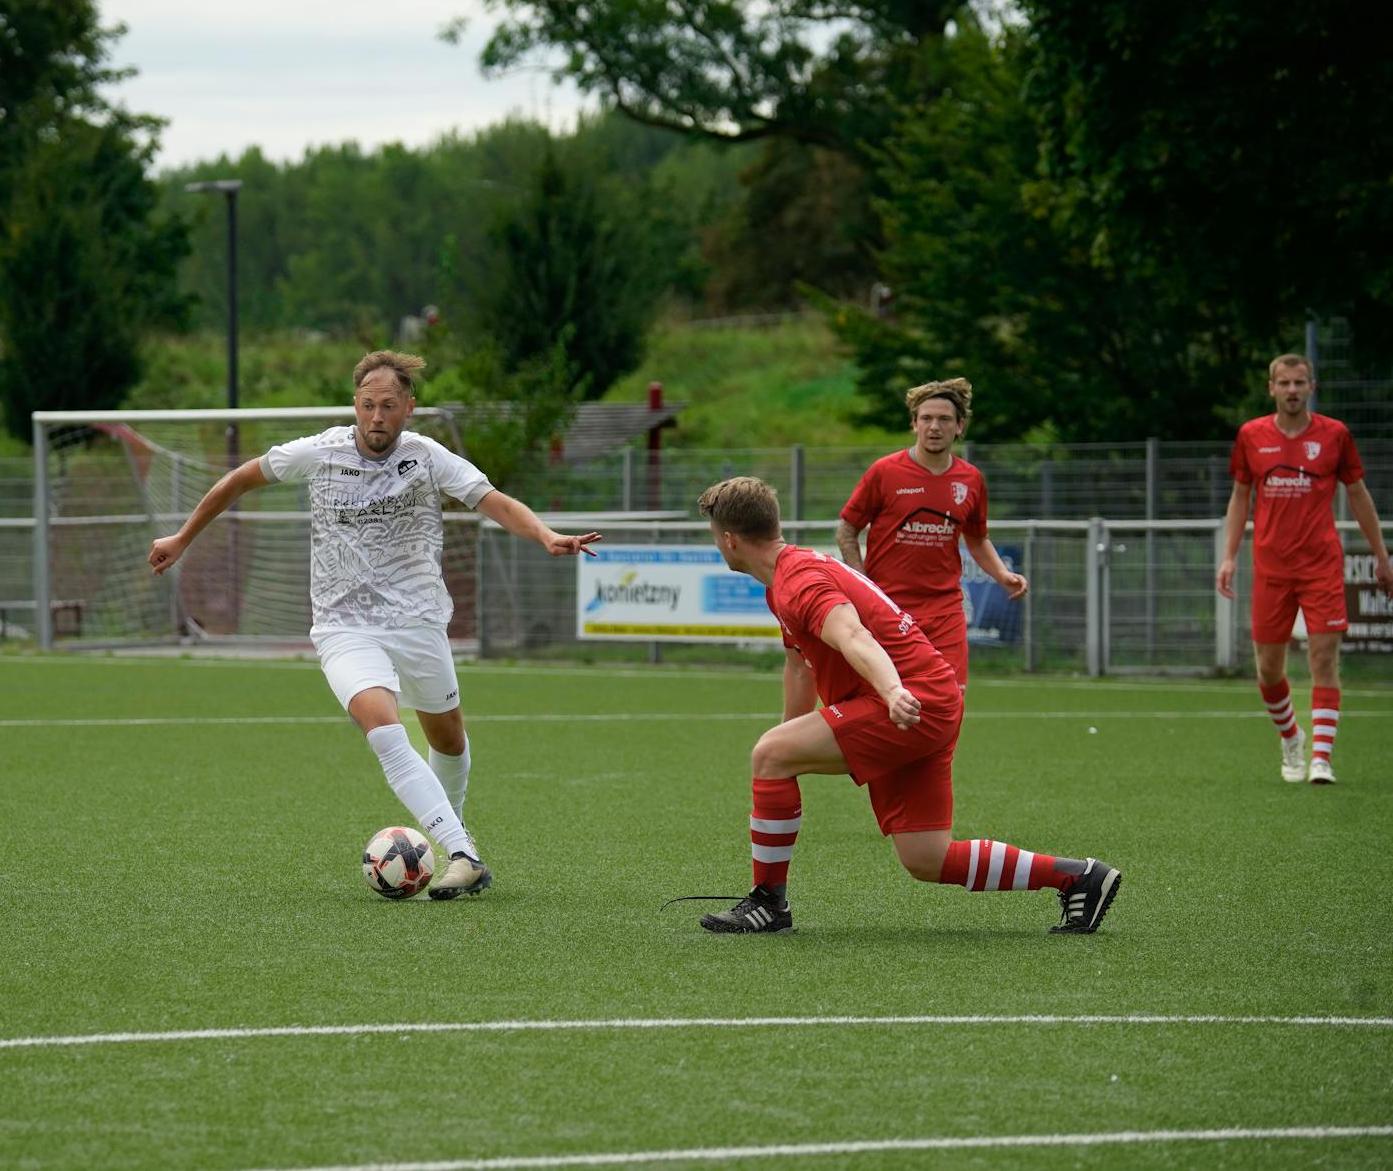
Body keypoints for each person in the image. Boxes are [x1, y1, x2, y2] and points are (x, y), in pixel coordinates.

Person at [147, 351, 600, 899]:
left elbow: (493, 501)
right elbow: (239, 480)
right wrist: (182, 537)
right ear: (355, 407)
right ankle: (463, 852)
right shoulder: (320, 451)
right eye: (368, 405)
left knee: (449, 741)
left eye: (389, 405)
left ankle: (445, 833)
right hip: (343, 625)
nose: (377, 416)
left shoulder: (427, 456)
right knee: (385, 730)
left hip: (418, 621)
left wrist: (546, 535)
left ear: (409, 408)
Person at [694, 476, 1119, 935]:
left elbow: (853, 634)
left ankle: (768, 905)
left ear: (730, 538)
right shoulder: (784, 579)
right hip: (927, 700)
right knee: (926, 858)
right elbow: (800, 668)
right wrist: (790, 745)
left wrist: (892, 691)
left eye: (715, 536)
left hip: (909, 702)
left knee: (769, 754)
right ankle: (1078, 877)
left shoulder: (799, 581)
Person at [1216, 353, 1392, 785]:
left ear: (1312, 386)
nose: (1292, 390)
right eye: (1284, 383)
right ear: (1271, 388)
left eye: (1299, 382)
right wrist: (1229, 555)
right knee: (1268, 670)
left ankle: (1321, 759)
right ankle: (1292, 738)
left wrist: (1382, 556)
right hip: (1271, 568)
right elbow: (1241, 496)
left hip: (1321, 565)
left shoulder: (1335, 436)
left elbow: (1358, 494)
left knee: (1323, 659)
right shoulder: (1251, 436)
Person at [836, 378, 1025, 687]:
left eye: (944, 419)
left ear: (960, 426)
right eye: (926, 418)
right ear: (914, 424)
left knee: (950, 698)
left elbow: (976, 538)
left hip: (945, 610)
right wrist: (863, 585)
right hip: (889, 608)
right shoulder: (885, 472)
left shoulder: (971, 479)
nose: (934, 427)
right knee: (890, 699)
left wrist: (1003, 575)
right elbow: (846, 531)